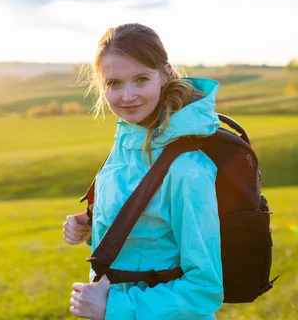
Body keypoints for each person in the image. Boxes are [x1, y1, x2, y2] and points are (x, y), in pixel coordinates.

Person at [63, 23, 223, 319]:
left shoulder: (187, 168)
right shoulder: (128, 142)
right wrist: (90, 223)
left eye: (140, 79)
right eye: (114, 83)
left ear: (164, 74)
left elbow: (204, 289)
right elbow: (147, 227)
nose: (127, 95)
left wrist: (114, 307)